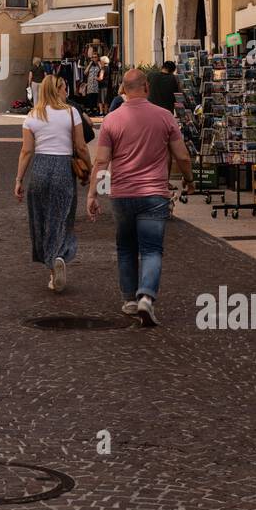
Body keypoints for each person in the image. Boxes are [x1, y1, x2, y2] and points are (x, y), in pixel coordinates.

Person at [87, 68, 194, 326]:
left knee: (125, 248)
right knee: (152, 249)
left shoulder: (112, 120)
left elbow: (101, 161)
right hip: (154, 193)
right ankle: (146, 295)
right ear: (146, 87)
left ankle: (129, 300)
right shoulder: (165, 116)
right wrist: (190, 180)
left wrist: (93, 194)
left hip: (122, 193)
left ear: (123, 89)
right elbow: (182, 156)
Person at [15, 74, 92, 293]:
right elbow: (81, 146)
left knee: (41, 218)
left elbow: (26, 151)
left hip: (39, 168)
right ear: (57, 89)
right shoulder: (71, 113)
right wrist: (90, 169)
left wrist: (19, 179)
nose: (66, 91)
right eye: (65, 87)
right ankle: (58, 256)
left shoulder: (32, 115)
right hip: (63, 168)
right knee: (63, 216)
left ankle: (51, 266)